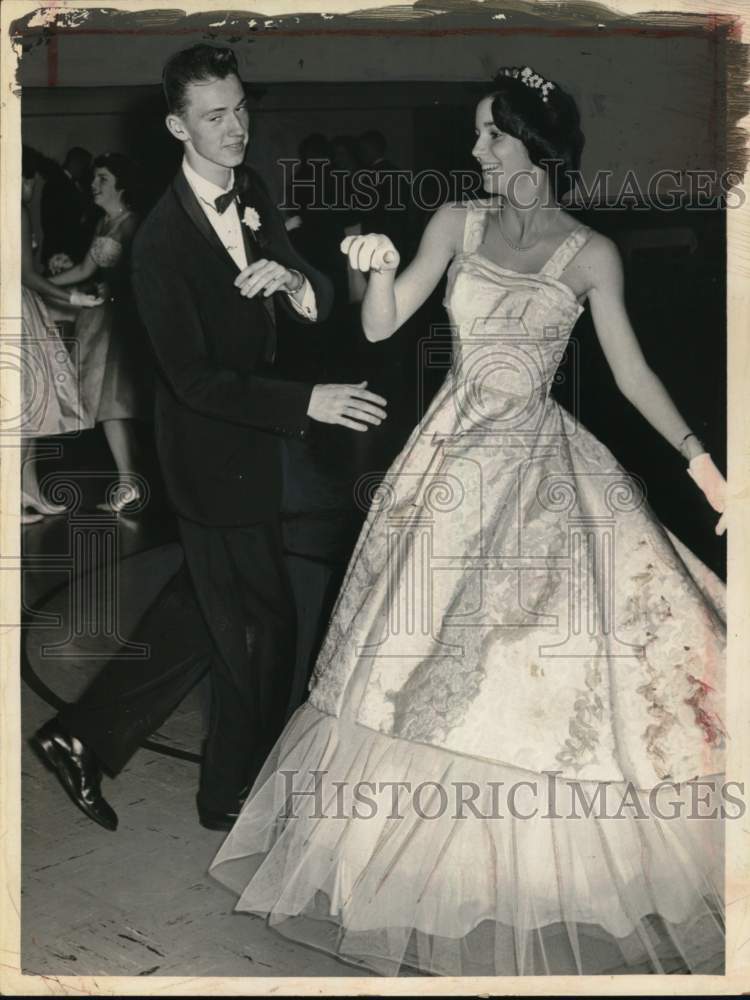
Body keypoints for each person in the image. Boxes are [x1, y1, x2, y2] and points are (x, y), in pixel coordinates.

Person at [210, 67, 727, 976]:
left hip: (540, 469)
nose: (476, 150)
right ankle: (405, 870)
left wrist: (707, 467)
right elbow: (382, 327)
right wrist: (365, 270)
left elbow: (632, 374)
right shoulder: (457, 221)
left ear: (536, 145)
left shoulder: (592, 253)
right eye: (480, 135)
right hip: (444, 467)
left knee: (529, 680)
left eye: (492, 135)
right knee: (409, 673)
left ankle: (531, 879)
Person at [31, 43, 387, 834]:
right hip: (207, 455)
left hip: (253, 450)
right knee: (264, 629)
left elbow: (321, 293)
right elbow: (192, 383)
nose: (235, 128)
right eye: (214, 117)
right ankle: (228, 796)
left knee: (204, 608)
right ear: (176, 127)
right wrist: (309, 403)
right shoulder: (158, 243)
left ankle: (79, 736)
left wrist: (294, 281)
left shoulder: (252, 190)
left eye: (241, 109)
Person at [48, 153, 150, 512]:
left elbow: (144, 274)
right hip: (98, 319)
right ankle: (132, 479)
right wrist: (39, 283)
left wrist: (117, 289)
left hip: (120, 321)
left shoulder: (133, 223)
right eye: (94, 179)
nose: (94, 185)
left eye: (102, 178)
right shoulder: (104, 223)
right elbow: (82, 270)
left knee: (113, 405)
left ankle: (130, 483)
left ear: (120, 183)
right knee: (108, 405)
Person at [19, 145, 100, 523]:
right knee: (28, 405)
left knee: (25, 407)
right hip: (17, 307)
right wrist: (72, 297)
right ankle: (17, 495)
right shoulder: (14, 209)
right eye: (32, 181)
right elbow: (27, 275)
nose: (33, 189)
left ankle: (27, 490)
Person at [40, 146, 96, 266]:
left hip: (67, 250)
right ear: (75, 163)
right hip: (60, 251)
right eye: (85, 166)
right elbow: (51, 222)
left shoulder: (74, 184)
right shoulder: (56, 184)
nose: (85, 170)